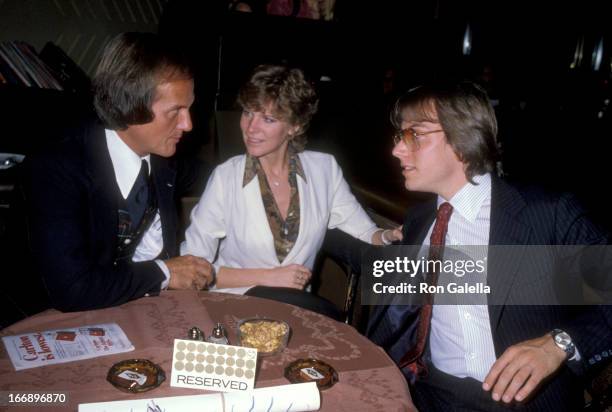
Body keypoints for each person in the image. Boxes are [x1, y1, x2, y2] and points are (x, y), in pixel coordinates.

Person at [366, 81, 612, 411]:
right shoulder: (419, 220)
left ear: (462, 140)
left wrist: (559, 344)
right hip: (429, 393)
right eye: (400, 135)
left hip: (524, 401)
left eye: (414, 135)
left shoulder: (546, 214)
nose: (397, 149)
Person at [181, 64, 401, 314]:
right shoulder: (225, 177)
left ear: (295, 126)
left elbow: (364, 230)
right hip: (233, 305)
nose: (250, 128)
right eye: (247, 113)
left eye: (268, 118)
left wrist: (387, 236)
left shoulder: (324, 169)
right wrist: (270, 277)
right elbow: (192, 269)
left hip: (292, 312)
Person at [24, 32, 213, 312]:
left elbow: (218, 177)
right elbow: (73, 290)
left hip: (125, 311)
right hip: (37, 321)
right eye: (175, 111)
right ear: (131, 105)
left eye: (189, 108)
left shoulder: (163, 158)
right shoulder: (56, 168)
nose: (188, 124)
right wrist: (165, 272)